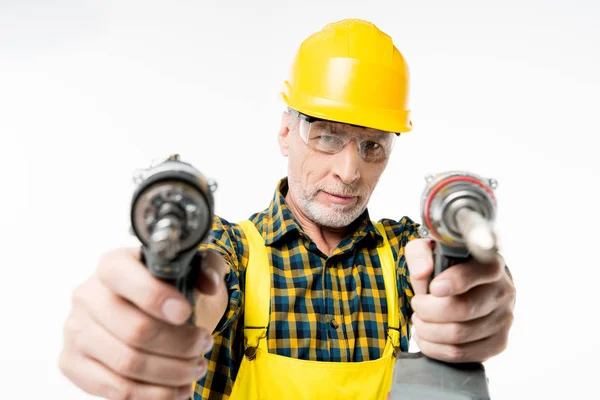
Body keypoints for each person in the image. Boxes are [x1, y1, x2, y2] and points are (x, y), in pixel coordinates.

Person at [58, 18, 516, 400]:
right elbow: (203, 285)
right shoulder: (233, 251)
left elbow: (449, 270)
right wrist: (154, 309)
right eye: (327, 136)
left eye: (373, 146)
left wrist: (478, 294)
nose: (349, 171)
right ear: (284, 133)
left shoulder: (401, 254)